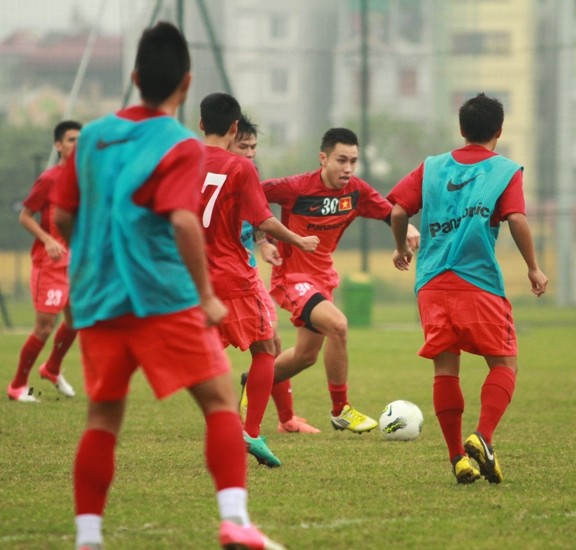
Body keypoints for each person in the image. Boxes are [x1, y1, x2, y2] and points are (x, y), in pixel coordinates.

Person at [51, 23, 285, 550]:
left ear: (134, 77)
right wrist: (204, 296)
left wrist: (86, 267)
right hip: (162, 295)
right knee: (221, 400)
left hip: (102, 299)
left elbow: (64, 215)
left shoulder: (90, 137)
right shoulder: (179, 144)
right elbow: (182, 223)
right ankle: (234, 520)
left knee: (104, 415)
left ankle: (88, 537)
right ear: (186, 84)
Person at [388, 93, 548, 484]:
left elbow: (396, 210)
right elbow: (517, 219)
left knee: (446, 369)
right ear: (499, 130)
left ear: (462, 130)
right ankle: (484, 436)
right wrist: (534, 268)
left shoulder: (432, 168)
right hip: (477, 283)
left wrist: (400, 250)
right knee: (504, 363)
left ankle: (458, 457)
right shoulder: (505, 170)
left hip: (431, 284)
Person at [261, 127, 420, 434]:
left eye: (353, 161)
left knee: (306, 356)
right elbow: (249, 195)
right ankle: (340, 411)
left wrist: (405, 236)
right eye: (341, 160)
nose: (347, 169)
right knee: (339, 325)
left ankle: (251, 382)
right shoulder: (294, 187)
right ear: (323, 158)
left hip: (322, 280)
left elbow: (392, 215)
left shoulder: (356, 191)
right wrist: (263, 239)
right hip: (291, 277)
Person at [198, 93, 319, 468]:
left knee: (210, 355)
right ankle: (248, 431)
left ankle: (230, 427)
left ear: (201, 124)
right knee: (266, 348)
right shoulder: (239, 167)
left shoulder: (181, 161)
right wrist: (299, 239)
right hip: (234, 274)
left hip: (193, 276)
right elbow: (263, 219)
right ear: (234, 128)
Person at [230, 114, 320, 435]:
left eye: (254, 146)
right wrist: (294, 239)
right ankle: (240, 427)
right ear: (226, 139)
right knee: (207, 350)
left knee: (271, 342)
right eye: (244, 146)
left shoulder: (247, 172)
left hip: (243, 270)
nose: (251, 153)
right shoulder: (215, 171)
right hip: (221, 274)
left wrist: (262, 244)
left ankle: (284, 420)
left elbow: (255, 217)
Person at [7, 120, 81, 403]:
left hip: (74, 263)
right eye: (71, 140)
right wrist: (48, 240)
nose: (77, 145)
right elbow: (25, 216)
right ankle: (17, 386)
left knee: (77, 321)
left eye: (80, 140)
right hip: (49, 265)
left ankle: (51, 368)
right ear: (58, 145)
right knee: (44, 327)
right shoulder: (50, 179)